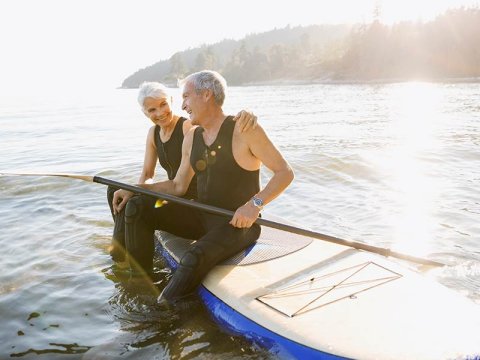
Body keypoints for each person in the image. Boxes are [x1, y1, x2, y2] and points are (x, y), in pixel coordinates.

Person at [113, 70, 294, 301]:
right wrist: (135, 189)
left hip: (237, 224)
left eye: (186, 96)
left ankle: (163, 313)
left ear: (206, 94)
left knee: (193, 256)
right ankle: (139, 288)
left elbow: (284, 173)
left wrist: (254, 205)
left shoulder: (244, 129)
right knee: (137, 207)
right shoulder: (193, 136)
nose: (183, 105)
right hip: (202, 215)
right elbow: (178, 186)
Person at [107, 81, 257, 262]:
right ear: (144, 112)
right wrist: (135, 190)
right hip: (171, 193)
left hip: (188, 197)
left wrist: (247, 113)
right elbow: (147, 175)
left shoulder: (188, 127)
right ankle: (122, 247)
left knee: (134, 201)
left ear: (171, 101)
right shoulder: (153, 133)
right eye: (152, 110)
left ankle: (128, 255)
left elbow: (216, 123)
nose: (160, 113)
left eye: (163, 104)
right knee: (115, 190)